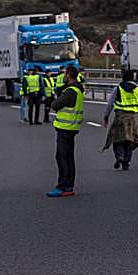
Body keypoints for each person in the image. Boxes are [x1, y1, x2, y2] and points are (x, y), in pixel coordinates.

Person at [47, 65, 83, 197]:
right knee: (68, 157)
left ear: (68, 75)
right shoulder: (78, 89)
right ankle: (68, 185)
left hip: (65, 129)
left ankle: (63, 186)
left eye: (65, 74)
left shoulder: (70, 91)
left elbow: (55, 104)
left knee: (62, 157)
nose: (63, 76)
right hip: (71, 128)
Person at [102, 69, 138, 170]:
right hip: (131, 119)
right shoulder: (137, 90)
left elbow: (110, 103)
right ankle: (126, 162)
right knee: (129, 141)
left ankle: (119, 156)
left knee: (117, 139)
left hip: (119, 117)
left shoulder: (118, 89)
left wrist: (106, 116)